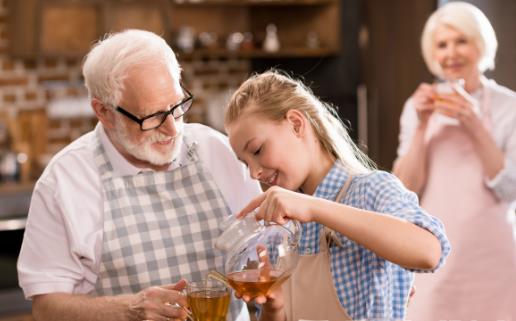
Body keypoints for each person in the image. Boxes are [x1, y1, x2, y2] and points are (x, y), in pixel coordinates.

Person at [17, 29, 261, 321]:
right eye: (153, 117)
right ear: (104, 112)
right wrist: (127, 309)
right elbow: (46, 309)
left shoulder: (217, 151)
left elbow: (262, 251)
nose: (172, 129)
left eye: (177, 106)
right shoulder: (66, 180)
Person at [223, 70, 451, 321]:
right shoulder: (282, 227)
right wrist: (274, 307)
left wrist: (314, 208)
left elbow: (429, 252)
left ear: (296, 124)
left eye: (257, 150)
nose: (254, 173)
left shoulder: (370, 190)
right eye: (245, 163)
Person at [393, 2, 516, 321]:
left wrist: (474, 124)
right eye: (442, 44)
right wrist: (421, 125)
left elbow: (510, 189)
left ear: (481, 45)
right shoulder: (417, 106)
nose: (451, 53)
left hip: (493, 253)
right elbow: (405, 189)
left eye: (462, 41)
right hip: (434, 250)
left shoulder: (508, 106)